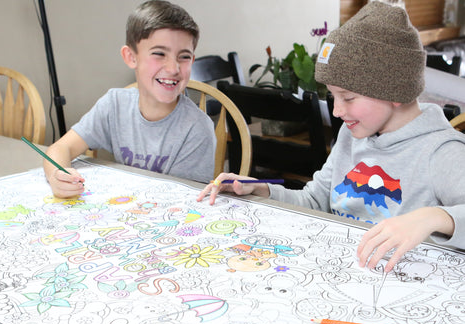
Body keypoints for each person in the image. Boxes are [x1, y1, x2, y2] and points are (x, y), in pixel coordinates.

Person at [197, 1, 465, 273]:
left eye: (348, 97)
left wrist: (435, 216)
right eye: (332, 96)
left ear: (396, 92)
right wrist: (262, 189)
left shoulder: (442, 152)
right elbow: (316, 201)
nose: (337, 111)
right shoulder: (354, 134)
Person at [44, 0, 216, 198]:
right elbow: (61, 147)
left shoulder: (197, 128)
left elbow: (183, 199)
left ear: (192, 60)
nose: (173, 68)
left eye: (184, 56)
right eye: (159, 53)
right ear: (131, 57)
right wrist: (58, 174)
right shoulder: (114, 104)